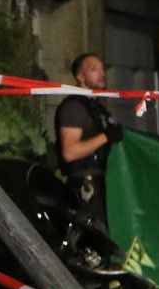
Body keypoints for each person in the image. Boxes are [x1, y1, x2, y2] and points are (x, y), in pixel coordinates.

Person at [53, 52, 124, 224]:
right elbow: (70, 152)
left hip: (103, 185)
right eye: (93, 69)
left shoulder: (99, 110)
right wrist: (106, 136)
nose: (102, 73)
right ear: (80, 76)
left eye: (102, 69)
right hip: (85, 187)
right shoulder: (74, 107)